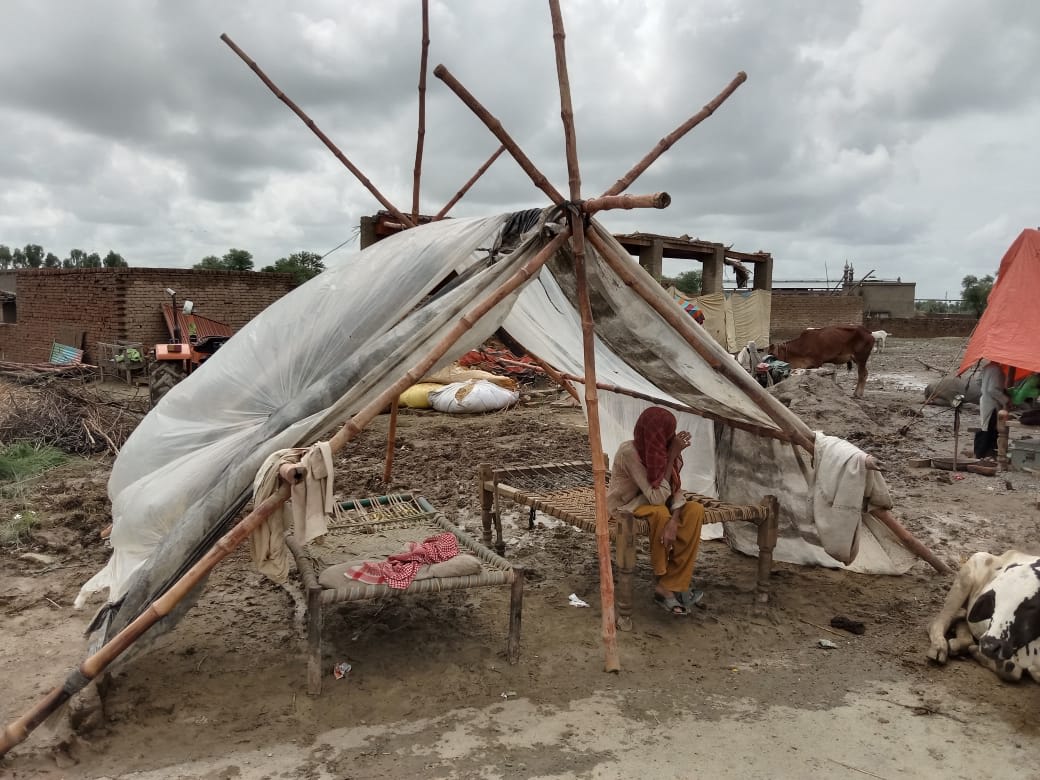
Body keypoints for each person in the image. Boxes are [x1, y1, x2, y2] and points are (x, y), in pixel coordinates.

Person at [606, 406, 705, 616]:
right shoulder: (629, 452)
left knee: (695, 510)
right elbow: (657, 496)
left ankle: (671, 583)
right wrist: (671, 456)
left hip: (654, 502)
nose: (670, 436)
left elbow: (675, 490)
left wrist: (675, 519)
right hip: (627, 505)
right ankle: (664, 579)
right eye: (666, 432)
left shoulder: (662, 448)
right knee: (660, 513)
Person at [974, 361, 1008, 460]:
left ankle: (983, 452)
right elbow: (992, 390)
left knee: (985, 426)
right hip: (992, 403)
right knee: (989, 428)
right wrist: (1005, 399)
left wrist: (983, 389)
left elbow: (978, 381)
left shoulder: (987, 367)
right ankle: (982, 453)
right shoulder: (997, 370)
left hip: (985, 400)